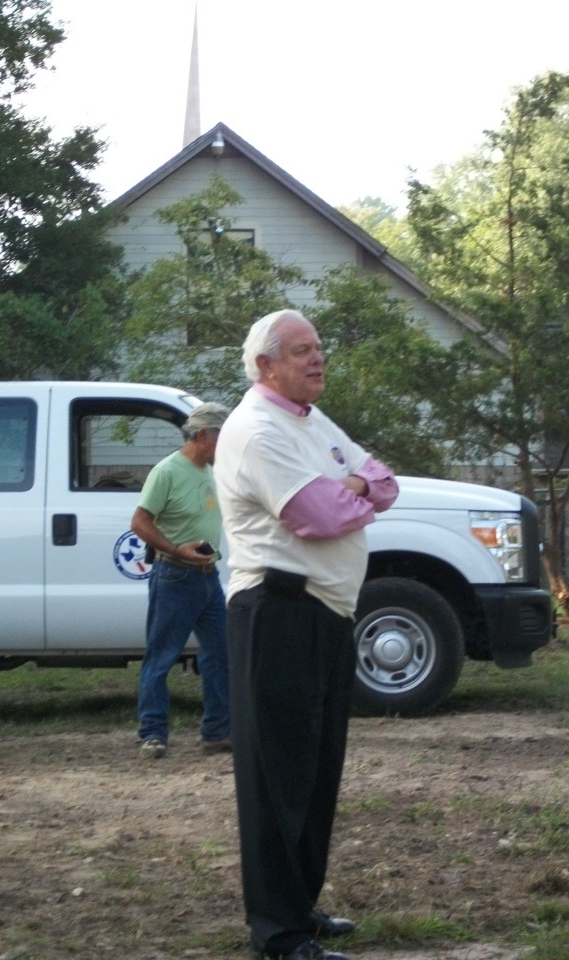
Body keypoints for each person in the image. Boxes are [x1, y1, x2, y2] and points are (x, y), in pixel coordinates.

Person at [214, 309, 398, 960]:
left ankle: (300, 904)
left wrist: (351, 485)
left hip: (325, 614)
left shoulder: (312, 422)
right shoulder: (256, 430)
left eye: (319, 347)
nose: (317, 359)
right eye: (301, 351)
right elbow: (316, 515)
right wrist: (351, 490)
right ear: (265, 365)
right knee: (277, 778)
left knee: (317, 772)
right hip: (279, 611)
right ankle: (277, 932)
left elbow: (386, 483)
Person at [131, 401, 232, 759]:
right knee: (162, 656)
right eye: (223, 437)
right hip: (174, 575)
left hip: (208, 578)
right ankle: (152, 733)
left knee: (221, 653)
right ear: (203, 435)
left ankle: (217, 732)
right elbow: (139, 522)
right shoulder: (167, 471)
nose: (227, 446)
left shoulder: (210, 471)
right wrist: (176, 549)